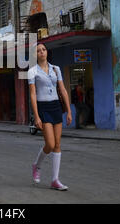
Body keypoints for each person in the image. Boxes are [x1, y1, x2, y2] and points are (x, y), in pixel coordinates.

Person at [28, 43, 72, 191]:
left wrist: (69, 111)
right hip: (43, 108)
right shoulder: (32, 71)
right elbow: (33, 94)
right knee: (50, 144)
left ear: (47, 52)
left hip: (56, 107)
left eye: (43, 50)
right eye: (38, 51)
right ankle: (37, 165)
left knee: (58, 145)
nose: (41, 52)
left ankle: (55, 180)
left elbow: (63, 89)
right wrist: (36, 115)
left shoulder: (56, 69)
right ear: (36, 55)